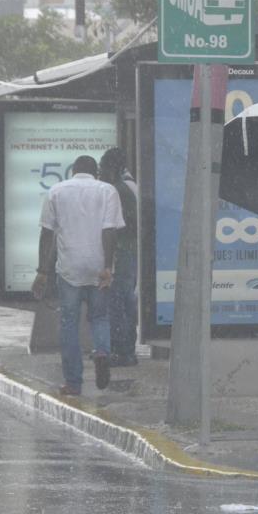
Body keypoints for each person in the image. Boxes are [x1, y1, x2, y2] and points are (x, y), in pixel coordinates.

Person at [32, 155, 124, 395]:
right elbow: (110, 231)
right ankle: (102, 352)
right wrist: (107, 266)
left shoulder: (56, 191)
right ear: (96, 172)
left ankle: (73, 382)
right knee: (100, 317)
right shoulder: (108, 191)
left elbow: (47, 234)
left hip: (69, 267)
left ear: (73, 171)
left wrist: (42, 271)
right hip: (98, 265)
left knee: (69, 323)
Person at [99, 147, 140, 367]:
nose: (100, 174)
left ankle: (121, 351)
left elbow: (122, 225)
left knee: (117, 303)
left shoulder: (119, 190)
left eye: (102, 169)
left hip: (122, 253)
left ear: (112, 168)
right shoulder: (129, 185)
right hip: (129, 252)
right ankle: (126, 349)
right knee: (125, 302)